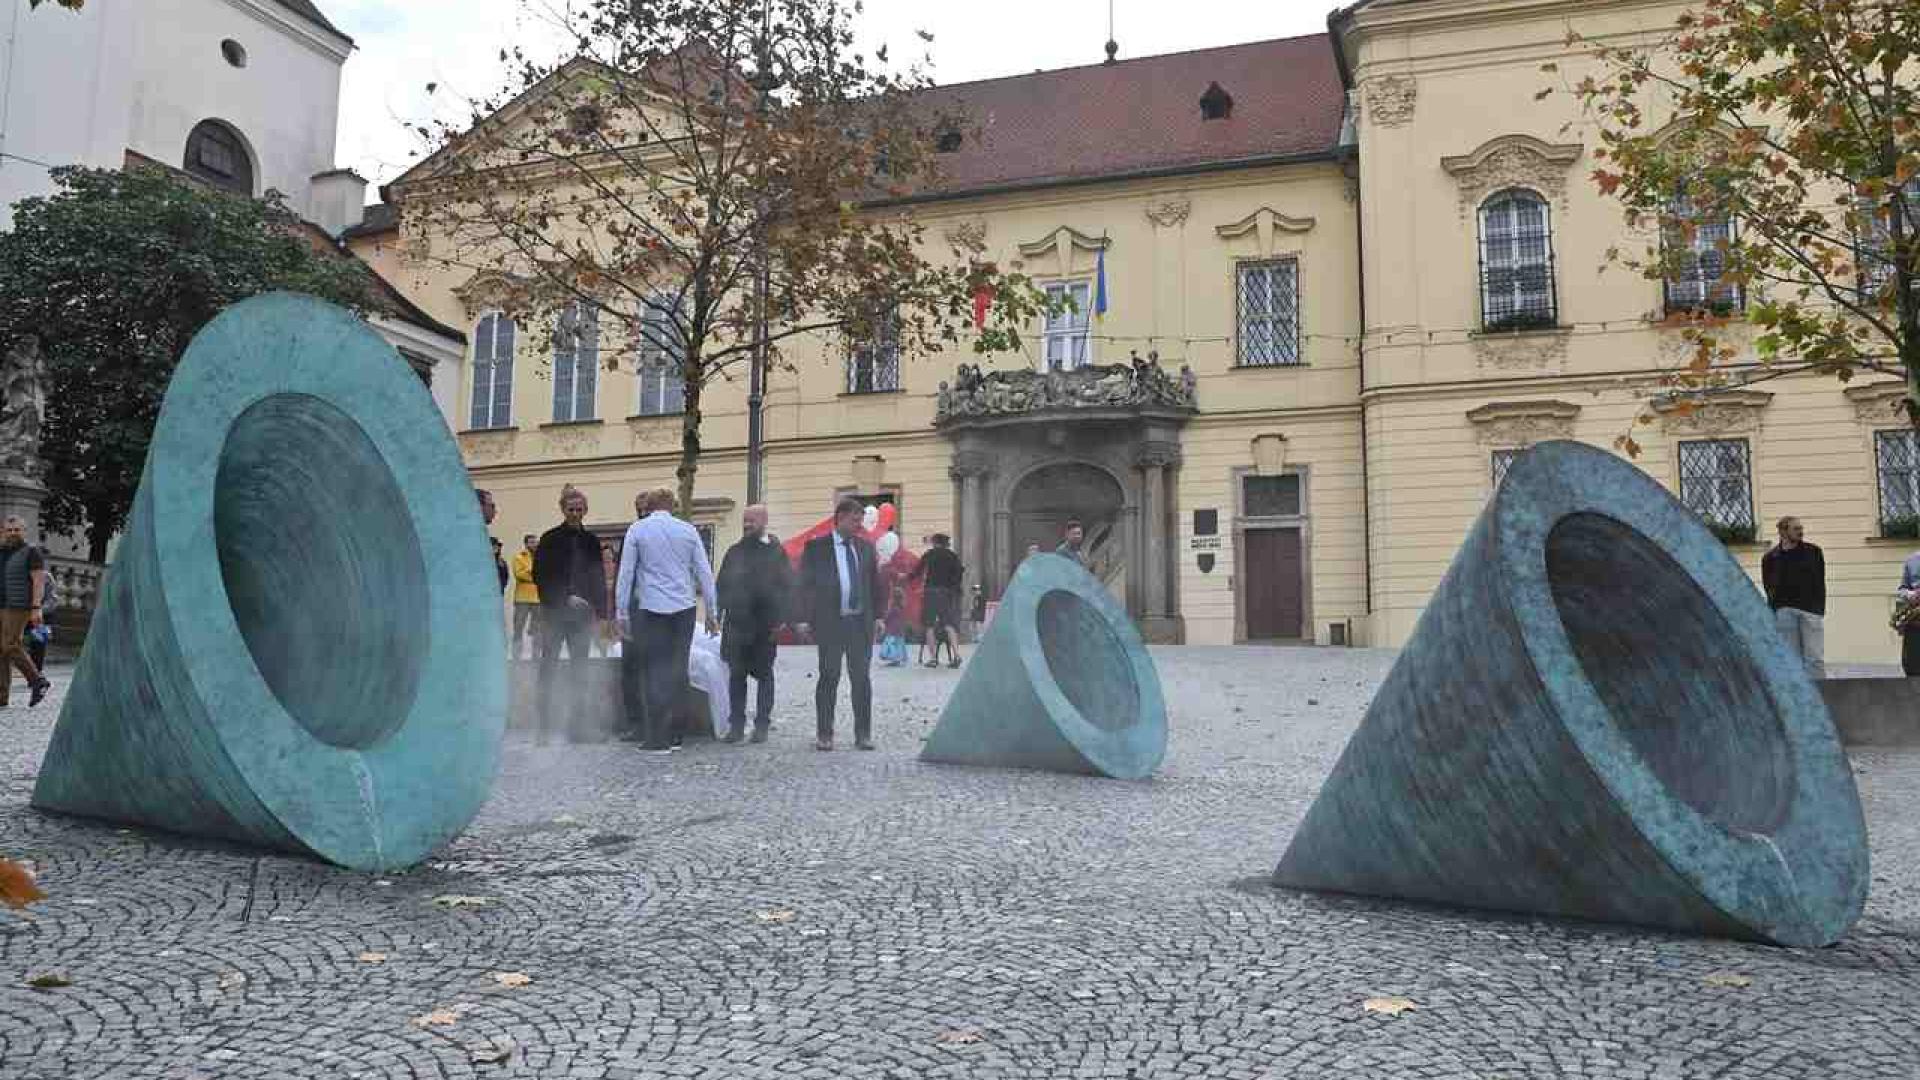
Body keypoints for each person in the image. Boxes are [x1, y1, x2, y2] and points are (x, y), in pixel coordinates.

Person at [616, 488, 718, 754]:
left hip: (651, 608)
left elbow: (626, 573)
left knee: (653, 671)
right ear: (673, 506)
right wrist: (711, 611)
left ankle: (657, 737)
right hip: (684, 608)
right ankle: (676, 734)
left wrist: (621, 613)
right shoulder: (688, 530)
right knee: (678, 669)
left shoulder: (637, 530)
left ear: (648, 506)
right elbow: (704, 572)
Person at [797, 497, 882, 751]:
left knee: (861, 679)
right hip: (831, 623)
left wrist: (878, 616)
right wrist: (801, 618)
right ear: (841, 518)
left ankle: (863, 734)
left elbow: (875, 584)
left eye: (860, 520)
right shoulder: (817, 548)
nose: (859, 525)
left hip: (859, 623)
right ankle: (825, 734)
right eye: (855, 520)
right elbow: (803, 585)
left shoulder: (865, 548)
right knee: (829, 677)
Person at [532, 486, 608, 743]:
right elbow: (540, 575)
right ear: (563, 510)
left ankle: (578, 728)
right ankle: (544, 729)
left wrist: (602, 614)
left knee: (581, 672)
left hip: (582, 618)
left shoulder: (591, 541)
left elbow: (598, 578)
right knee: (548, 669)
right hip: (555, 613)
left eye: (579, 509)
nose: (575, 513)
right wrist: (564, 597)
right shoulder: (550, 539)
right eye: (571, 509)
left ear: (585, 510)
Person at [715, 505, 791, 744]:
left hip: (764, 627)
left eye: (752, 520)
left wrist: (781, 620)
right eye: (745, 520)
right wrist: (718, 613)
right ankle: (736, 726)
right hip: (737, 625)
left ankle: (762, 726)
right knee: (736, 677)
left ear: (764, 521)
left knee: (765, 676)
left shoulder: (776, 552)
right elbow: (721, 585)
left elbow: (787, 587)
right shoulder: (734, 552)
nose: (747, 524)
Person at [1761, 515, 1825, 681]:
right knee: (1790, 658)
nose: (1801, 532)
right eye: (1796, 529)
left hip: (1810, 610)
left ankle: (1821, 691)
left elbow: (1820, 580)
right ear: (1783, 532)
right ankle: (1797, 690)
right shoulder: (1770, 557)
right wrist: (1775, 609)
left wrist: (1819, 609)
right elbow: (1768, 585)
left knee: (1814, 657)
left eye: (1801, 528)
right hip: (1784, 610)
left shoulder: (1814, 552)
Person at [0, 516, 51, 708]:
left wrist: (36, 608)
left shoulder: (31, 552)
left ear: (24, 531)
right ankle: (1, 696)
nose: (13, 533)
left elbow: (38, 581)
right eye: (9, 530)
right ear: (3, 531)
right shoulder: (2, 551)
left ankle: (37, 680)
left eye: (17, 530)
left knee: (10, 644)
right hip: (1, 604)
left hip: (19, 606)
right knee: (1, 650)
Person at [911, 533, 964, 668]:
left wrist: (906, 577)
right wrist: (954, 588)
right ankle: (957, 655)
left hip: (931, 592)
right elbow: (959, 572)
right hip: (946, 593)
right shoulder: (952, 556)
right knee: (949, 624)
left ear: (935, 543)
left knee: (929, 625)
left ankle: (933, 658)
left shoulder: (930, 554)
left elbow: (918, 570)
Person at [510, 534, 540, 658]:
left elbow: (545, 573)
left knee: (538, 629)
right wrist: (536, 576)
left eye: (536, 542)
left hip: (538, 598)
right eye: (532, 542)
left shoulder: (542, 557)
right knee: (518, 627)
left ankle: (536, 655)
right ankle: (516, 655)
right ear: (526, 544)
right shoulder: (519, 557)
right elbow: (519, 574)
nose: (535, 544)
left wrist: (531, 573)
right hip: (522, 598)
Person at [1897, 549, 1920, 677]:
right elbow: (1902, 589)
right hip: (1915, 621)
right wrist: (1911, 594)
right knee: (1912, 665)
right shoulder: (1912, 560)